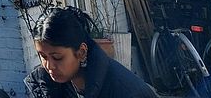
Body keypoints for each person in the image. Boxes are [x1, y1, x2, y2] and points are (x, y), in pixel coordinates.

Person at [25, 7, 157, 98]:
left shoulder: (128, 92)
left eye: (57, 57)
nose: (49, 66)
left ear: (81, 52)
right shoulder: (47, 84)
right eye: (43, 57)